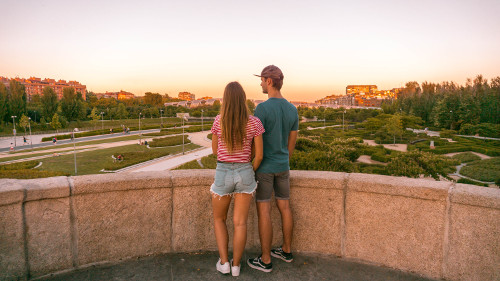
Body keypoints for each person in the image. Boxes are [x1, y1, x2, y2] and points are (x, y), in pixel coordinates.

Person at [247, 65, 299, 273]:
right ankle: (286, 250)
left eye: (261, 80)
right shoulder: (292, 109)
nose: (260, 83)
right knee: (285, 207)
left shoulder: (261, 109)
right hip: (283, 166)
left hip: (265, 168)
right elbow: (291, 144)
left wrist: (252, 166)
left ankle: (266, 259)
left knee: (264, 211)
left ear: (269, 81)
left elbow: (254, 144)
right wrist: (283, 161)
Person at [211, 81, 265, 276]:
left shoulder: (218, 121)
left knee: (219, 219)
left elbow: (216, 151)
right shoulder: (254, 122)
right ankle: (235, 266)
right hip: (245, 172)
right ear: (243, 99)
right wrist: (248, 169)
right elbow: (259, 155)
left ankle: (224, 262)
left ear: (225, 99)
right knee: (240, 223)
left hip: (223, 172)